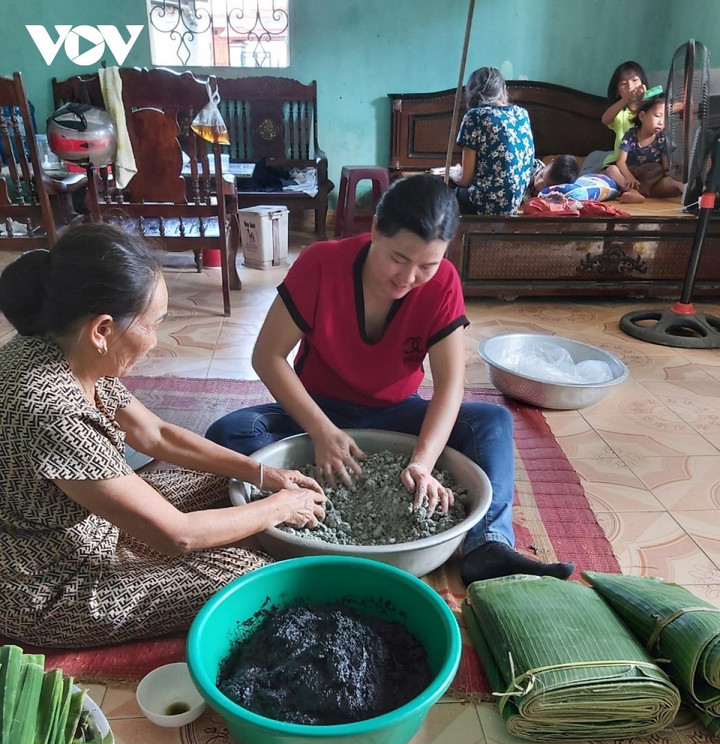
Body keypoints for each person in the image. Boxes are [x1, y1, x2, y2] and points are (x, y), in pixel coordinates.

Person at [206, 175, 575, 586]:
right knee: (231, 431)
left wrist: (422, 462)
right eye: (398, 258)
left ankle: (488, 544)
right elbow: (267, 356)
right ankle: (272, 516)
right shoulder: (321, 264)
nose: (408, 277)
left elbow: (450, 386)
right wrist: (322, 431)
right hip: (316, 413)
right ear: (376, 230)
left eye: (426, 266)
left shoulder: (443, 283)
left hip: (396, 414)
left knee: (491, 422)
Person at [0, 224, 326, 648]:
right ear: (103, 330)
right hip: (48, 579)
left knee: (231, 484)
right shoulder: (52, 410)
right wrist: (281, 507)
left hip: (90, 520)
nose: (155, 342)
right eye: (152, 325)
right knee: (250, 574)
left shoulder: (66, 346)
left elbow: (155, 435)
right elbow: (177, 535)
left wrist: (262, 474)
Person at [448, 67, 535, 215]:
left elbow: (465, 179)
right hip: (513, 203)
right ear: (502, 89)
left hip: (486, 203)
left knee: (437, 192)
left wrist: (454, 174)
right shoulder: (522, 114)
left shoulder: (475, 116)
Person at [582, 60, 648, 176]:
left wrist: (646, 100)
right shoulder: (620, 113)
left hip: (646, 162)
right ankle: (628, 186)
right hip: (621, 163)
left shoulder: (651, 110)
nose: (630, 86)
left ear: (643, 83)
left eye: (634, 80)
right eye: (624, 84)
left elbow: (668, 109)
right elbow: (605, 119)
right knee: (612, 170)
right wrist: (626, 99)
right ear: (617, 91)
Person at [610, 94, 682, 200]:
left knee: (672, 179)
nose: (661, 122)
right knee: (611, 169)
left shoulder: (662, 138)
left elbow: (666, 165)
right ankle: (633, 193)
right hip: (631, 178)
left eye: (665, 118)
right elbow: (620, 161)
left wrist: (671, 174)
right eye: (657, 116)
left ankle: (690, 198)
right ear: (642, 116)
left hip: (652, 182)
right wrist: (629, 177)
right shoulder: (631, 135)